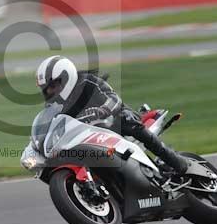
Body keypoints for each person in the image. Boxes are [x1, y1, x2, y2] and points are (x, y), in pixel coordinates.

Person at [36, 55, 189, 175]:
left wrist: (102, 110)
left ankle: (175, 161)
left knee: (127, 122)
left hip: (114, 119)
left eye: (53, 86)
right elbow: (52, 124)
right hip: (89, 136)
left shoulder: (88, 82)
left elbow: (115, 99)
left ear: (66, 76)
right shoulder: (55, 105)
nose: (51, 92)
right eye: (47, 89)